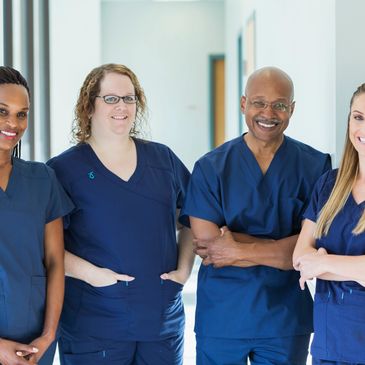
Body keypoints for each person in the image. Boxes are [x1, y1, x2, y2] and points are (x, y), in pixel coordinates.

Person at [181, 66, 332, 365]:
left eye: (280, 105)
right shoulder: (211, 167)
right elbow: (210, 247)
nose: (269, 113)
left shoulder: (315, 167)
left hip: (285, 318)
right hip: (223, 317)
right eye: (259, 102)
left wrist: (237, 248)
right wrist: (282, 248)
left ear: (292, 109)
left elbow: (310, 251)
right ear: (243, 104)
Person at [47, 63, 194, 365]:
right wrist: (93, 276)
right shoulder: (64, 170)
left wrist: (184, 271)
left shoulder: (162, 159)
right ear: (89, 107)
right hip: (94, 324)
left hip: (160, 322)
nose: (122, 106)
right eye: (111, 98)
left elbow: (192, 220)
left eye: (129, 98)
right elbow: (46, 246)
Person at [0, 66, 73, 365]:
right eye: (2, 111)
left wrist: (48, 335)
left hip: (35, 345)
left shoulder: (43, 179)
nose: (12, 123)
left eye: (22, 113)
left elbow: (55, 261)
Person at [293, 84, 365, 364]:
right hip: (329, 342)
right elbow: (300, 257)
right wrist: (355, 269)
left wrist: (323, 263)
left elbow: (312, 263)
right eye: (358, 117)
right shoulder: (329, 185)